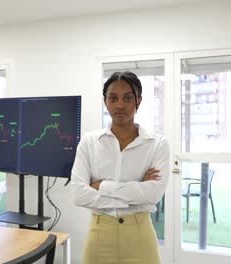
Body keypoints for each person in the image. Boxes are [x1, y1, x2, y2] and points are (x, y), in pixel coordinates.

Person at [71, 71, 170, 264]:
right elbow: (78, 194)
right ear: (105, 101)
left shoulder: (157, 144)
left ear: (138, 101)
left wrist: (101, 186)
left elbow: (153, 195)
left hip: (139, 235)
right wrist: (136, 192)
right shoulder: (89, 142)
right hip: (100, 235)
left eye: (127, 98)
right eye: (113, 98)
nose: (120, 105)